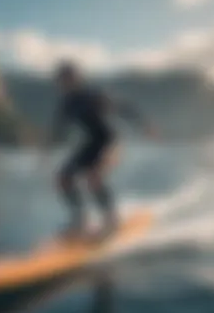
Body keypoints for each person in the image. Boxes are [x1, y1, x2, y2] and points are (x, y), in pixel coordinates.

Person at [44, 61, 158, 243]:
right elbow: (58, 130)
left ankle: (112, 219)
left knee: (93, 177)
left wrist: (145, 125)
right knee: (63, 178)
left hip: (110, 142)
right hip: (91, 144)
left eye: (68, 78)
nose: (64, 84)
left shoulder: (92, 96)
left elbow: (123, 108)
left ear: (76, 78)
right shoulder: (66, 104)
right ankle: (80, 222)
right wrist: (46, 150)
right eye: (61, 80)